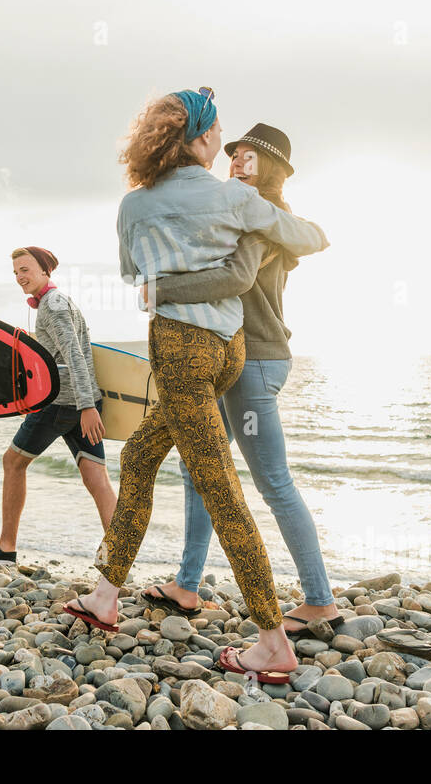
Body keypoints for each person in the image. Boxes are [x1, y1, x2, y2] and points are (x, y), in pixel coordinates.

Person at [63, 89, 328, 683]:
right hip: (231, 353)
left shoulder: (133, 205)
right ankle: (106, 596)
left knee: (220, 490)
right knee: (140, 455)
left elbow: (136, 274)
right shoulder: (236, 197)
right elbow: (312, 239)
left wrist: (175, 274)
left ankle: (272, 643)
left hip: (181, 353)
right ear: (204, 138)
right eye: (219, 134)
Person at [137, 123, 342, 636]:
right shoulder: (236, 211)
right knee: (197, 470)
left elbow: (238, 278)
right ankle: (187, 584)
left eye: (250, 157)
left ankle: (319, 600)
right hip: (228, 356)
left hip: (256, 360)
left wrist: (163, 291)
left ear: (270, 168)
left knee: (273, 482)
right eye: (234, 154)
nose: (237, 162)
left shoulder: (268, 220)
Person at [0, 246, 117, 564]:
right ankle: (119, 551)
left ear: (46, 270)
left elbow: (75, 354)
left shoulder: (53, 305)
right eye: (16, 272)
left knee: (13, 463)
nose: (20, 277)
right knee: (96, 479)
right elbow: (58, 359)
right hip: (79, 401)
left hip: (63, 404)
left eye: (26, 269)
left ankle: (6, 546)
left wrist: (86, 406)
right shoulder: (58, 301)